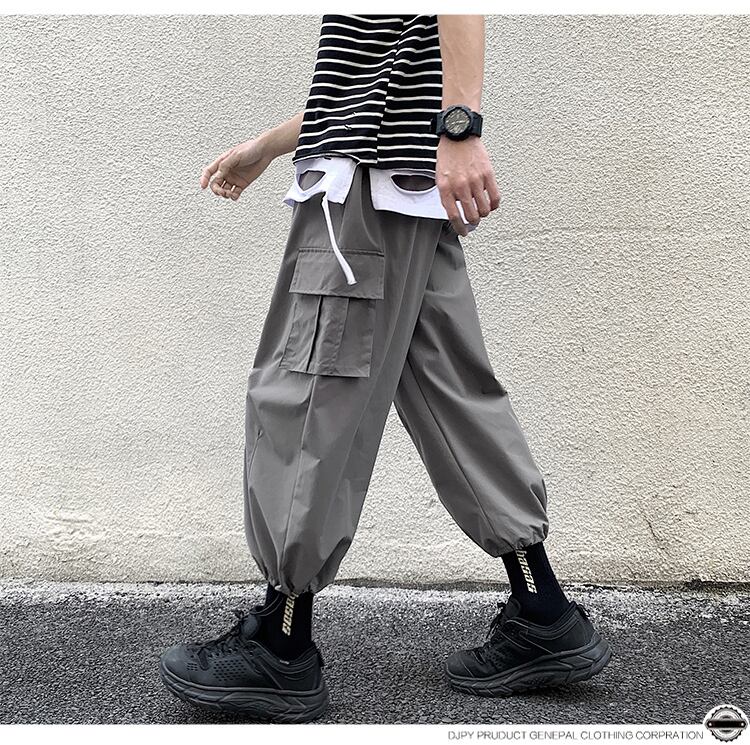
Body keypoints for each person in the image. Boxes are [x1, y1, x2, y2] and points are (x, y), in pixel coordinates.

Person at [158, 14, 612, 723]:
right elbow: (371, 74)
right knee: (451, 394)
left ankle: (280, 644)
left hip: (365, 199)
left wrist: (461, 128)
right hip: (399, 193)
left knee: (309, 398)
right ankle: (543, 611)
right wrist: (271, 144)